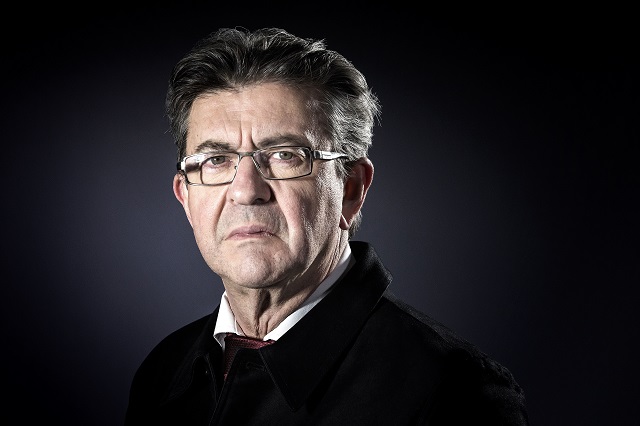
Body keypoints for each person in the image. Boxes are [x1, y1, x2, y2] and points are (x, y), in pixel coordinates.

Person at [125, 27, 529, 425]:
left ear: (351, 190)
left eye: (285, 155)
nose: (246, 191)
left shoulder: (453, 392)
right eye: (216, 160)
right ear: (186, 197)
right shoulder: (162, 371)